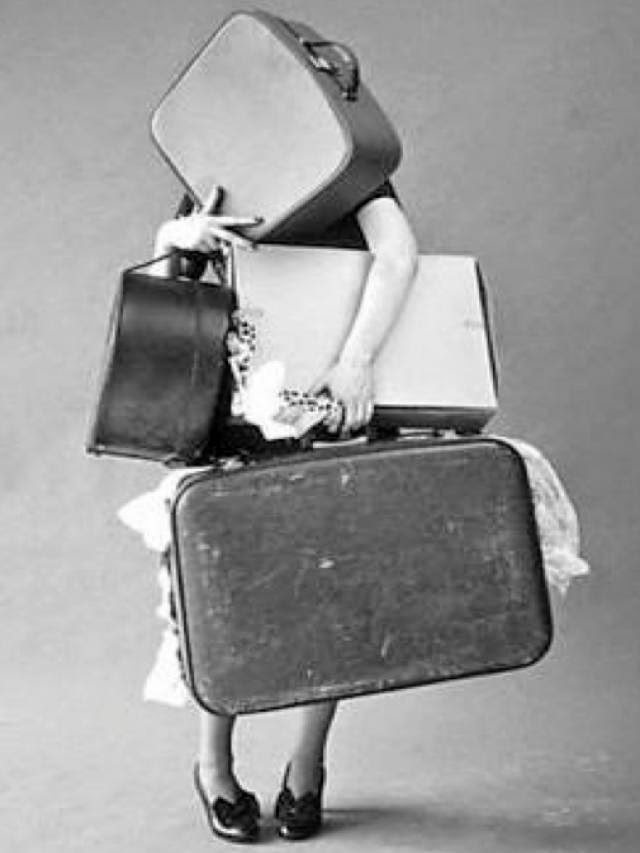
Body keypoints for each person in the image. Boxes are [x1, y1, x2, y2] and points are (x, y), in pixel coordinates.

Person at [147, 181, 419, 842]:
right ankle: (213, 766)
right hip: (239, 416)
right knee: (225, 599)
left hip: (331, 405)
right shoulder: (214, 175)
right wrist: (171, 241)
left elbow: (399, 254)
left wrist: (355, 362)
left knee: (332, 594)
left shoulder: (347, 167)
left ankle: (307, 765)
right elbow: (162, 302)